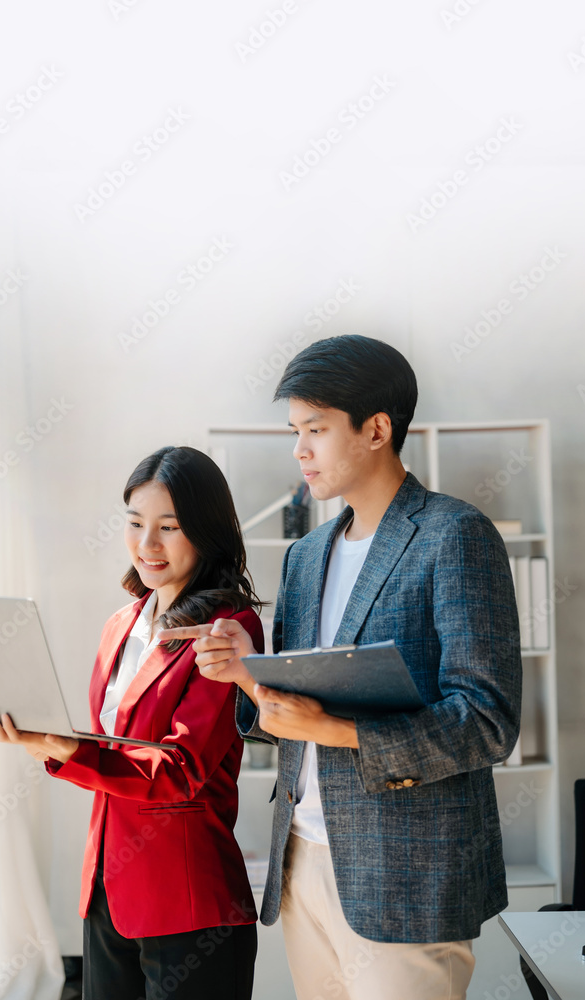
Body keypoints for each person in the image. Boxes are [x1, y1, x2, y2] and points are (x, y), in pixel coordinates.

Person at [159, 336, 522, 1000]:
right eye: (295, 431)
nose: (299, 450)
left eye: (316, 430)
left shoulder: (454, 536)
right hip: (303, 863)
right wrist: (246, 676)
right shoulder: (307, 555)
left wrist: (340, 732)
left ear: (377, 429)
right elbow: (290, 713)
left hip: (407, 876)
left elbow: (487, 721)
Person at [0, 445, 265, 1000]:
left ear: (205, 532)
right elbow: (114, 746)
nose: (147, 544)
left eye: (169, 527)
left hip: (188, 904)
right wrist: (45, 738)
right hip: (107, 888)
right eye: (135, 523)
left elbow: (180, 771)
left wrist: (69, 750)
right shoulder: (122, 623)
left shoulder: (227, 628)